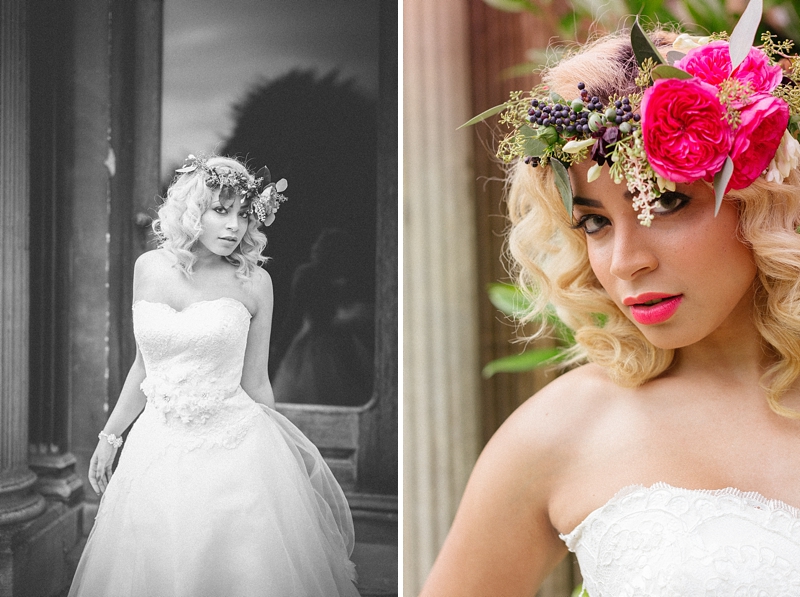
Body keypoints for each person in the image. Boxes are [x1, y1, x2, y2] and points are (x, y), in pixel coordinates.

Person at [422, 10, 800, 597]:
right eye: (594, 223)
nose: (625, 261)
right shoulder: (561, 429)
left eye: (666, 204)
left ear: (760, 197)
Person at [68, 155, 360, 596]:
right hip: (156, 448)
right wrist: (110, 437)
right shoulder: (148, 268)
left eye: (243, 214)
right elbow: (144, 366)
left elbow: (257, 381)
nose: (234, 227)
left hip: (234, 449)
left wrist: (281, 458)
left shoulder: (254, 282)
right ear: (192, 211)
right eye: (220, 211)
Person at [273, 228, 374, 406]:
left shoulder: (312, 275)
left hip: (329, 342)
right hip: (322, 342)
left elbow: (294, 317)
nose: (314, 247)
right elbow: (297, 316)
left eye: (320, 245)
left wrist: (279, 348)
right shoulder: (317, 274)